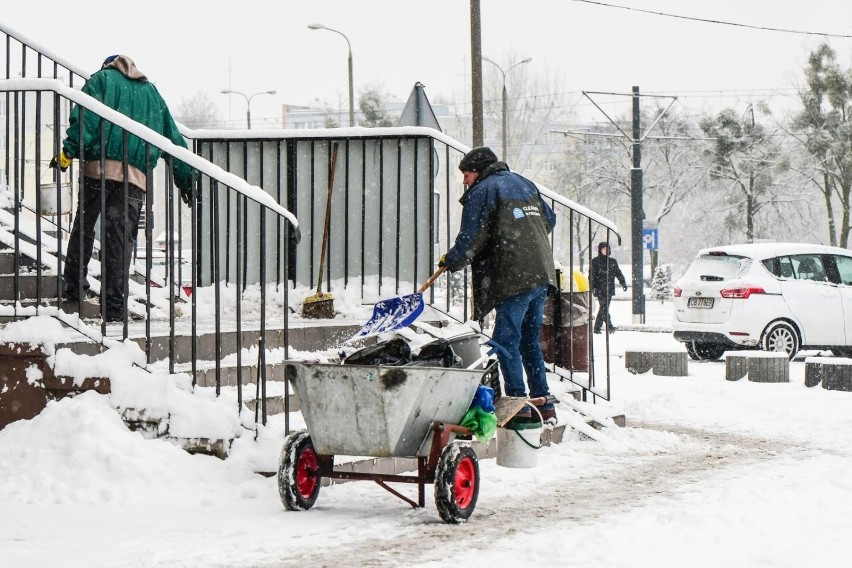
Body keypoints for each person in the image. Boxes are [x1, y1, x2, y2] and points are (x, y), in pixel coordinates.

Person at [50, 55, 196, 322]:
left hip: (99, 169)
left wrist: (68, 152)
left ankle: (74, 285)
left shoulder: (101, 80)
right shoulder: (151, 93)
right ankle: (114, 307)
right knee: (120, 240)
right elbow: (172, 140)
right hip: (135, 178)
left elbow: (86, 120)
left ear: (107, 66)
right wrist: (186, 180)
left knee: (85, 225)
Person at [440, 147, 558, 423]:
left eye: (466, 174)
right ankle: (544, 401)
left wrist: (452, 260)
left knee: (505, 341)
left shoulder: (483, 191)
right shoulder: (523, 182)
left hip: (514, 275)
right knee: (528, 340)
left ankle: (519, 403)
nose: (464, 181)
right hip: (540, 273)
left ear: (478, 171)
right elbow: (549, 220)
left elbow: (470, 238)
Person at [590, 241, 627, 334]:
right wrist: (593, 287)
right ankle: (599, 328)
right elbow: (591, 276)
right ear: (600, 250)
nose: (605, 251)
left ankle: (607, 327)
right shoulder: (595, 261)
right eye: (603, 249)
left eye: (607, 249)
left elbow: (618, 273)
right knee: (604, 308)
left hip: (609, 289)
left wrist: (623, 283)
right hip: (599, 289)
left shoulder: (612, 262)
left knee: (604, 308)